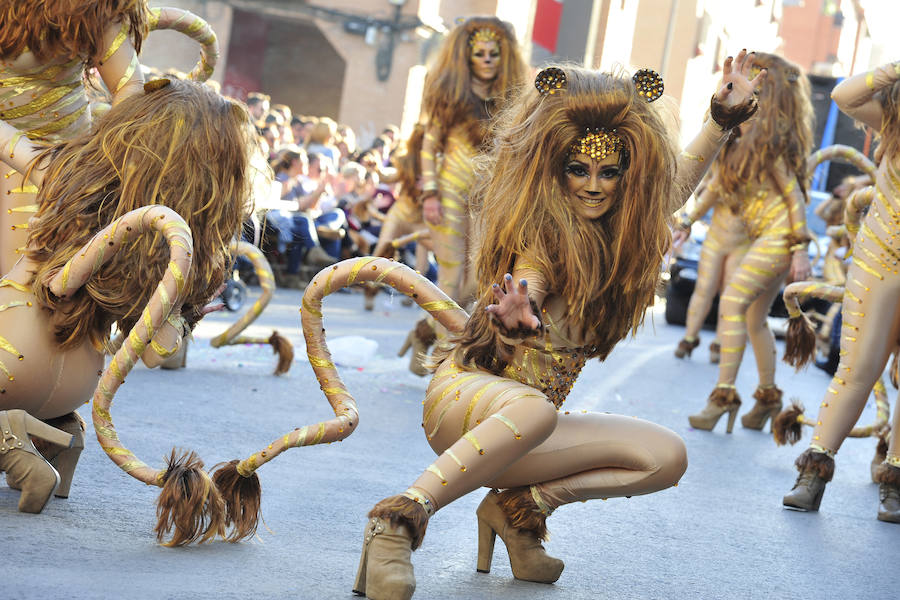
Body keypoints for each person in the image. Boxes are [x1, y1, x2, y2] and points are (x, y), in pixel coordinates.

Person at [338, 55, 762, 598]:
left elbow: (671, 187)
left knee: (667, 457)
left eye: (609, 172)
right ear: (555, 168)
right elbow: (529, 280)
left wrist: (721, 120)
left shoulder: (622, 237)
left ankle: (518, 512)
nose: (593, 185)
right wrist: (517, 318)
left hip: (529, 431)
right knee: (535, 408)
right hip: (466, 407)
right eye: (578, 169)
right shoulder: (543, 239)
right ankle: (396, 522)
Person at [0, 78, 253, 541]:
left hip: (10, 355)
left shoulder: (66, 171)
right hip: (77, 381)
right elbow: (157, 352)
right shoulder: (189, 251)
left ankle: (8, 434)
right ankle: (61, 437)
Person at [781, 59, 900, 523]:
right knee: (858, 369)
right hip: (880, 261)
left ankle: (894, 484)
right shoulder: (895, 121)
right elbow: (845, 95)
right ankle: (813, 475)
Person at [687, 53, 813, 435]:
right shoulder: (736, 143)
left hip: (778, 238)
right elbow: (712, 191)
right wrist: (685, 221)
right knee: (754, 318)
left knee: (731, 301)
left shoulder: (769, 144)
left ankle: (722, 396)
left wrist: (801, 249)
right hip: (766, 239)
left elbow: (794, 198)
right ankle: (768, 398)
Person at [0, 0, 150, 275]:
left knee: (25, 291)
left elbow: (129, 84)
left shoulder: (90, 6)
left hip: (49, 168)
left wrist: (100, 161)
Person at [672, 175, 751, 363]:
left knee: (730, 294)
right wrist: (686, 223)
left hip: (743, 243)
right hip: (715, 239)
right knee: (704, 289)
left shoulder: (764, 170)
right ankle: (689, 337)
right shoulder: (724, 165)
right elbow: (705, 196)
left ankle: (719, 342)